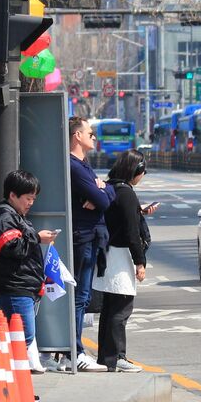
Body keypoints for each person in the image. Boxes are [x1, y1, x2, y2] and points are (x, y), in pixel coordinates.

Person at [91, 151, 151, 372]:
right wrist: (140, 261)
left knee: (109, 309)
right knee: (121, 309)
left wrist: (139, 211)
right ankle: (117, 357)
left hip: (107, 253)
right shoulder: (126, 193)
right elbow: (131, 231)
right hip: (120, 256)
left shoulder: (110, 188)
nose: (142, 176)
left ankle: (106, 358)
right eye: (142, 172)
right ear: (135, 171)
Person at [0, 170, 57, 346]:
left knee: (20, 337)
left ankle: (7, 368)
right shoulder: (4, 217)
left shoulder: (14, 216)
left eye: (34, 198)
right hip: (15, 286)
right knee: (22, 336)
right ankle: (6, 369)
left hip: (22, 285)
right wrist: (38, 238)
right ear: (12, 195)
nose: (31, 203)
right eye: (28, 198)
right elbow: (12, 248)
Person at [65, 117, 113, 372]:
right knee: (79, 296)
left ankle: (74, 350)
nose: (94, 137)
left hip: (91, 236)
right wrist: (101, 193)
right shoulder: (74, 166)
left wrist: (103, 190)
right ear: (76, 136)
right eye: (90, 133)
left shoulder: (84, 165)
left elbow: (109, 193)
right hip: (82, 236)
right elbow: (105, 200)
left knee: (83, 296)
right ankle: (75, 351)